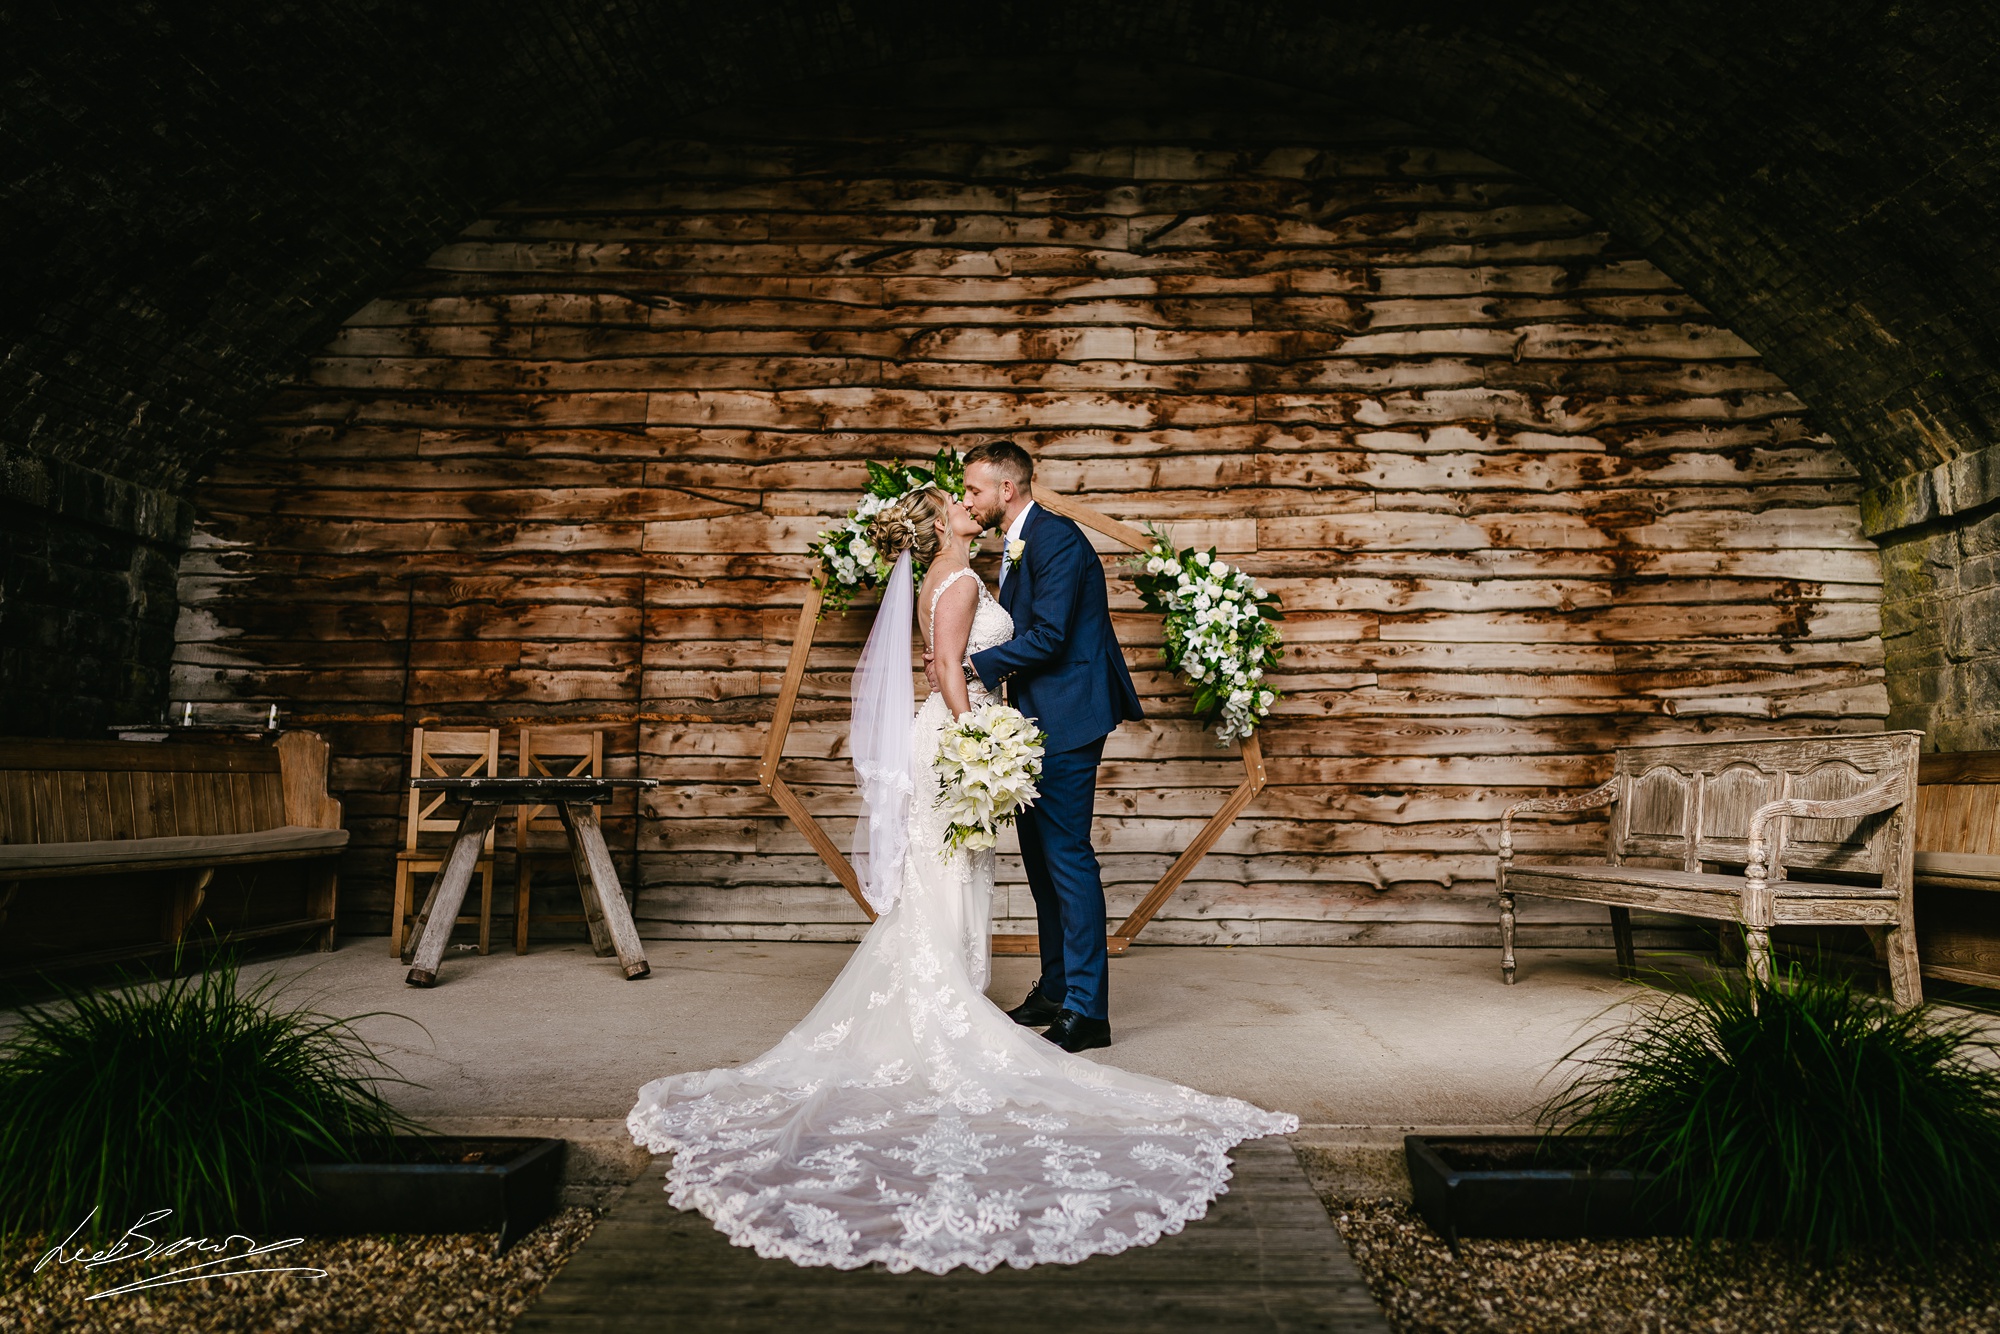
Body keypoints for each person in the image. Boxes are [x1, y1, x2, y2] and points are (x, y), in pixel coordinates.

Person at [627, 481, 1296, 1275]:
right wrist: (977, 726)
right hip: (967, 726)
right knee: (993, 865)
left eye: (975, 489)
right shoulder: (967, 575)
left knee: (1019, 863)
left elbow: (1023, 639)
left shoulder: (1022, 552)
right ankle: (1029, 993)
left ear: (1004, 486)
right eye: (959, 499)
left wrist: (975, 697)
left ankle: (1070, 998)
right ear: (941, 522)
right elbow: (953, 658)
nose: (969, 502)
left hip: (1015, 719)